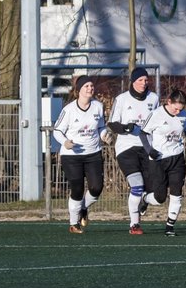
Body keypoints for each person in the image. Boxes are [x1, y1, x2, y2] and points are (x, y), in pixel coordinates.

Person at [52, 75, 108, 234]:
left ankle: (83, 208)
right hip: (72, 155)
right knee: (77, 189)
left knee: (96, 187)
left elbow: (101, 127)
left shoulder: (98, 106)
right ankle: (73, 223)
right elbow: (57, 131)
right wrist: (65, 142)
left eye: (91, 86)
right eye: (86, 86)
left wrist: (105, 135)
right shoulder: (69, 110)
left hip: (93, 153)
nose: (90, 88)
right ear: (79, 91)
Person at [106, 66, 159, 235]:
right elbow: (112, 124)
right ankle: (134, 225)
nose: (144, 83)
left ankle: (144, 200)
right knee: (137, 186)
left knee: (153, 191)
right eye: (140, 80)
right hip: (126, 148)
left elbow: (158, 121)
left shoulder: (154, 98)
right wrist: (127, 128)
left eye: (146, 80)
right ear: (133, 82)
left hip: (147, 148)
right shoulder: (121, 99)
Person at [139, 88, 186, 237]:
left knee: (177, 192)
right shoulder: (156, 114)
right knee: (160, 197)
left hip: (177, 158)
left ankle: (170, 226)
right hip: (158, 159)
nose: (178, 112)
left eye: (181, 109)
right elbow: (143, 133)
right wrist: (149, 150)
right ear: (169, 102)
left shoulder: (184, 115)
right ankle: (145, 198)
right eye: (175, 108)